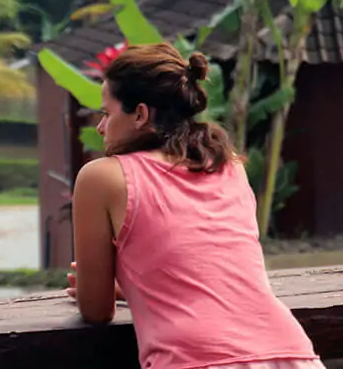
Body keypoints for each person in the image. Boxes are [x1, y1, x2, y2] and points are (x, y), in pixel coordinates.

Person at [66, 42, 325, 369]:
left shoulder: (101, 177)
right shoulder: (229, 166)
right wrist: (138, 285)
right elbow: (212, 268)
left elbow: (95, 310)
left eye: (106, 113)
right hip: (290, 353)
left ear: (141, 114)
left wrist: (106, 288)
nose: (100, 127)